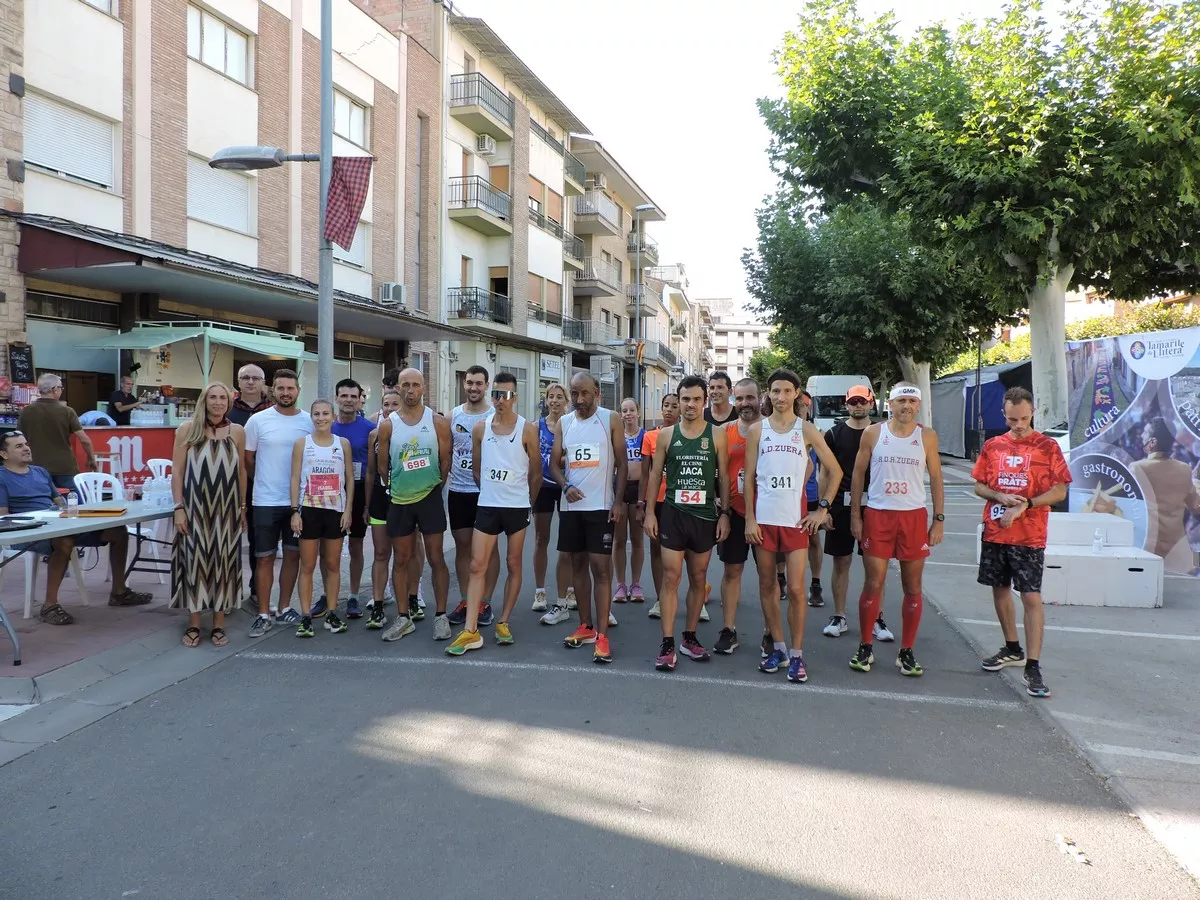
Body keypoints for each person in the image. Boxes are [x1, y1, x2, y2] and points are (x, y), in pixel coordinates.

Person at [744, 369, 842, 682]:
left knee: (797, 590)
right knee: (767, 587)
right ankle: (779, 648)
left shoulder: (807, 430)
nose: (781, 397)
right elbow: (748, 479)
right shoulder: (757, 431)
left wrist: (822, 509)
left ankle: (798, 655)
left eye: (787, 391)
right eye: (775, 391)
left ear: (796, 394)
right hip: (764, 522)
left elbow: (836, 472)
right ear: (768, 394)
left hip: (795, 522)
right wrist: (749, 518)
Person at [974, 387, 1071, 698]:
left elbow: (1060, 492)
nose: (1018, 424)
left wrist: (1025, 505)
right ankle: (1012, 647)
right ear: (1004, 414)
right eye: (1012, 419)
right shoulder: (993, 446)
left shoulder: (1047, 447)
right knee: (999, 589)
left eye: (1024, 418)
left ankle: (1034, 664)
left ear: (1033, 413)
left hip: (1029, 536)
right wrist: (998, 495)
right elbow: (979, 485)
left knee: (1030, 597)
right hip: (996, 532)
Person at [0, 432, 151, 624]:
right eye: (18, 446)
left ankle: (119, 593)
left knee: (118, 532)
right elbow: (4, 517)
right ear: (4, 454)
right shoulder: (2, 477)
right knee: (64, 541)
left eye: (26, 444)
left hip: (57, 523)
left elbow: (60, 503)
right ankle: (50, 606)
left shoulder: (41, 472)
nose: (26, 448)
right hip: (28, 532)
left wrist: (72, 512)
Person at [849, 383, 945, 677]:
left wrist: (938, 519)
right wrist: (856, 514)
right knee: (873, 583)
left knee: (912, 587)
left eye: (912, 401)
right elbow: (858, 473)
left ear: (918, 406)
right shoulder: (873, 433)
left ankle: (906, 650)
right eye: (901, 400)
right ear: (889, 403)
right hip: (878, 514)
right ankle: (866, 645)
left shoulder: (926, 436)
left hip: (913, 517)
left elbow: (937, 477)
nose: (907, 406)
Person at [447, 374, 541, 655]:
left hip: (516, 507)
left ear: (516, 397)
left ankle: (503, 621)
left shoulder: (527, 429)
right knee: (477, 565)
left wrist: (527, 502)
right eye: (497, 394)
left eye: (507, 395)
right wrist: (489, 492)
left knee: (513, 564)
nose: (501, 400)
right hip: (488, 504)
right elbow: (477, 470)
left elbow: (536, 473)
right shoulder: (479, 428)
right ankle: (471, 630)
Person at [644, 375, 730, 670]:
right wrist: (649, 513)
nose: (690, 404)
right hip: (673, 514)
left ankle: (689, 637)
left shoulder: (717, 435)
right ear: (678, 402)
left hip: (705, 516)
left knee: (698, 577)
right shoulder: (667, 436)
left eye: (696, 399)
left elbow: (725, 477)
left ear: (704, 402)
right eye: (685, 399)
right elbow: (655, 476)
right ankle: (667, 644)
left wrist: (726, 515)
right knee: (671, 577)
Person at [549, 372, 627, 663]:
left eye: (584, 394)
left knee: (601, 569)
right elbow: (554, 463)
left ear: (597, 392)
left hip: (601, 507)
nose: (579, 400)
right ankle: (585, 626)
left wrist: (618, 502)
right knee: (577, 565)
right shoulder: (564, 423)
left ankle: (603, 634)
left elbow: (622, 464)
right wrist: (565, 485)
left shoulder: (611, 419)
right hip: (571, 508)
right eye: (575, 394)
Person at [375, 367, 453, 642]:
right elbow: (383, 466)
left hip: (429, 497)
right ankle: (403, 617)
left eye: (416, 385)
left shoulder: (438, 422)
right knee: (402, 560)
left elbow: (445, 462)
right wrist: (399, 486)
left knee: (436, 558)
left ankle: (441, 616)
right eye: (405, 385)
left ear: (423, 387)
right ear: (397, 387)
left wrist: (431, 487)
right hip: (399, 500)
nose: (410, 390)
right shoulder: (388, 425)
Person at [171, 383, 246, 648]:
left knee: (223, 565)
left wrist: (242, 507)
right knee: (194, 563)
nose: (217, 402)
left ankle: (218, 624)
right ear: (204, 400)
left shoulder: (237, 432)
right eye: (212, 397)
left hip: (227, 509)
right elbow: (177, 471)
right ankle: (194, 623)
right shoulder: (186, 430)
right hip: (194, 508)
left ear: (229, 402)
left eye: (222, 398)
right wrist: (179, 507)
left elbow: (242, 473)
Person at [819, 385, 894, 642]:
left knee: (876, 566)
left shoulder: (883, 433)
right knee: (841, 562)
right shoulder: (833, 434)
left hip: (875, 507)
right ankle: (839, 616)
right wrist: (823, 508)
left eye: (863, 401)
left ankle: (876, 617)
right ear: (846, 404)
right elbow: (825, 473)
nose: (858, 406)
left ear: (872, 403)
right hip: (839, 506)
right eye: (853, 402)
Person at [244, 369, 314, 638]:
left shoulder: (309, 421)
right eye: (281, 388)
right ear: (273, 390)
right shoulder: (258, 421)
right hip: (265, 501)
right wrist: (261, 480)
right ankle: (263, 613)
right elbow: (248, 459)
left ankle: (285, 607)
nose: (286, 392)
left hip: (299, 502)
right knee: (264, 558)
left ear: (298, 391)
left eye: (290, 388)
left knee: (293, 555)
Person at [288, 400, 353, 638]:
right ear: (311, 417)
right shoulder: (302, 444)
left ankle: (332, 611)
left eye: (325, 413)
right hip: (309, 510)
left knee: (333, 564)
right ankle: (306, 615)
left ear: (333, 416)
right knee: (307, 565)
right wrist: (294, 510)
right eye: (316, 413)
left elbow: (348, 478)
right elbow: (295, 478)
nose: (321, 418)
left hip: (335, 511)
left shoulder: (342, 444)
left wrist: (348, 511)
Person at [447, 366, 500, 628]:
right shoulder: (453, 415)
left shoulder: (495, 416)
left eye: (479, 383)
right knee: (463, 548)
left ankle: (485, 602)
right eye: (469, 383)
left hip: (487, 492)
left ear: (487, 385)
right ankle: (467, 599)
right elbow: (447, 453)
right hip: (458, 490)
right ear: (464, 384)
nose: (473, 388)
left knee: (489, 551)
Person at [714, 377, 762, 655]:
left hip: (764, 513)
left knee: (767, 576)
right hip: (734, 512)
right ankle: (729, 629)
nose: (745, 404)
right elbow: (714, 469)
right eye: (740, 398)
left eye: (750, 398)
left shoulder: (772, 428)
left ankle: (770, 634)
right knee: (732, 570)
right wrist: (720, 505)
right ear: (734, 399)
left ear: (760, 398)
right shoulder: (724, 431)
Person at [328, 379, 375, 619]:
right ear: (336, 398)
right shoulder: (326, 426)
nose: (348, 400)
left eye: (352, 397)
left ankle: (354, 596)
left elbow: (370, 471)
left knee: (356, 545)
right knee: (329, 549)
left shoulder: (369, 428)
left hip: (357, 492)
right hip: (329, 493)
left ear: (359, 400)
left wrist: (367, 504)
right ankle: (328, 596)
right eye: (343, 395)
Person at [1129, 417, 1200, 570]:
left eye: (1145, 433)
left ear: (1152, 442)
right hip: (1177, 554)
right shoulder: (1184, 469)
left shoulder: (1136, 469)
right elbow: (1196, 507)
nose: (1142, 436)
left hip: (1145, 550)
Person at [228, 364, 272, 607]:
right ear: (238, 381)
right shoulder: (228, 410)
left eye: (256, 378)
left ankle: (257, 589)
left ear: (263, 382)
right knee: (230, 539)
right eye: (245, 378)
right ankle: (229, 590)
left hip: (262, 487)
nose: (251, 382)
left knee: (259, 542)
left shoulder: (273, 410)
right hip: (231, 486)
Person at [533, 383, 575, 624]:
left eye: (560, 397)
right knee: (541, 538)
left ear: (566, 401)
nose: (555, 401)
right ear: (546, 400)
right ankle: (540, 591)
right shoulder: (536, 426)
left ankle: (568, 589)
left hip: (565, 486)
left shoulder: (570, 425)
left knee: (567, 542)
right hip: (544, 488)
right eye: (551, 397)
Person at [18, 373, 96, 492]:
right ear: (54, 390)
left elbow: (18, 439)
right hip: (65, 467)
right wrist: (91, 459)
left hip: (36, 467)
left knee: (42, 502)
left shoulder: (25, 412)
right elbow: (84, 440)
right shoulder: (67, 411)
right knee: (75, 502)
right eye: (60, 387)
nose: (61, 390)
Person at [363, 389, 402, 626]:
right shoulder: (375, 434)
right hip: (379, 498)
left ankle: (409, 602)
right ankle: (378, 605)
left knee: (404, 555)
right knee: (380, 553)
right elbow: (369, 472)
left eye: (394, 404)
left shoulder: (412, 432)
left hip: (404, 498)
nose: (389, 409)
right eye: (386, 404)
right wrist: (367, 505)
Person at [642, 392, 680, 619]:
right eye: (666, 405)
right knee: (656, 549)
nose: (669, 410)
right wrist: (643, 505)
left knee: (686, 553)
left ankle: (696, 598)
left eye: (674, 406)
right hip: (657, 501)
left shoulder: (688, 435)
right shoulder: (650, 437)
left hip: (680, 501)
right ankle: (659, 598)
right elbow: (647, 475)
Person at [613, 397, 646, 610]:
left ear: (638, 412)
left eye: (631, 410)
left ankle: (636, 584)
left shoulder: (646, 435)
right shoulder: (616, 436)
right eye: (624, 411)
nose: (628, 414)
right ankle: (620, 584)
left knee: (637, 539)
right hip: (620, 490)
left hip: (638, 490)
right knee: (618, 539)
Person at [801, 391, 827, 608]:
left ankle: (815, 583)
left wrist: (823, 507)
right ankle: (781, 579)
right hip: (786, 498)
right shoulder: (777, 429)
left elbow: (827, 470)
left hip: (810, 496)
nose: (801, 407)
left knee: (813, 540)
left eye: (805, 404)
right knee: (781, 544)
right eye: (799, 403)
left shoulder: (816, 433)